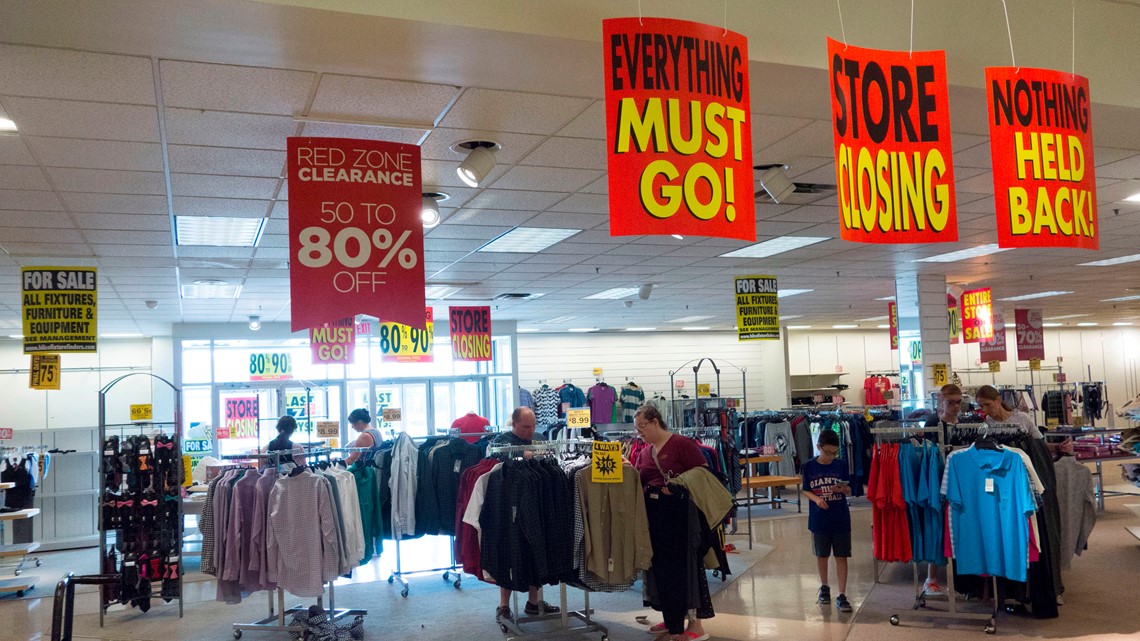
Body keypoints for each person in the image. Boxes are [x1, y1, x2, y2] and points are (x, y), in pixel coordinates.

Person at [633, 403, 712, 641]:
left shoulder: (681, 444)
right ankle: (672, 619)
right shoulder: (646, 451)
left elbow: (703, 473)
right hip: (656, 516)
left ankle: (695, 625)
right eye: (637, 428)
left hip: (682, 516)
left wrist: (678, 487)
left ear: (655, 421)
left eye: (642, 426)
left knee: (685, 568)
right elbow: (640, 478)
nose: (640, 432)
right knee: (662, 569)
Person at [491, 407, 561, 625]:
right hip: (508, 505)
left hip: (536, 499)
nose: (531, 431)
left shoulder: (539, 438)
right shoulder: (502, 440)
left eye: (532, 426)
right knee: (510, 553)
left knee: (536, 551)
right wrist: (523, 453)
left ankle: (534, 602)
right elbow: (496, 455)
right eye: (525, 427)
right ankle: (503, 606)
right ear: (513, 424)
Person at [801, 429, 854, 613]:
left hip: (840, 516)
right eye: (827, 452)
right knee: (822, 555)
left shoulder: (840, 464)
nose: (831, 456)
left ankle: (842, 594)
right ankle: (824, 586)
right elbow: (805, 489)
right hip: (819, 518)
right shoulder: (808, 466)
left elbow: (848, 489)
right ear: (819, 448)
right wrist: (816, 499)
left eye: (834, 452)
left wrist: (842, 489)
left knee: (841, 556)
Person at [920, 383, 965, 595]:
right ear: (941, 401)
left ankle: (963, 579)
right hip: (937, 480)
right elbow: (924, 454)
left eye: (959, 402)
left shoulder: (964, 425)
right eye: (951, 402)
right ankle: (931, 577)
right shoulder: (932, 423)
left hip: (960, 481)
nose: (956, 407)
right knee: (937, 526)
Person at [975, 385, 1073, 455]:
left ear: (998, 400)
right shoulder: (985, 426)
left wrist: (1059, 447)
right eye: (981, 406)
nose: (984, 410)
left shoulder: (1022, 418)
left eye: (988, 404)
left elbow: (1039, 444)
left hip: (1025, 471)